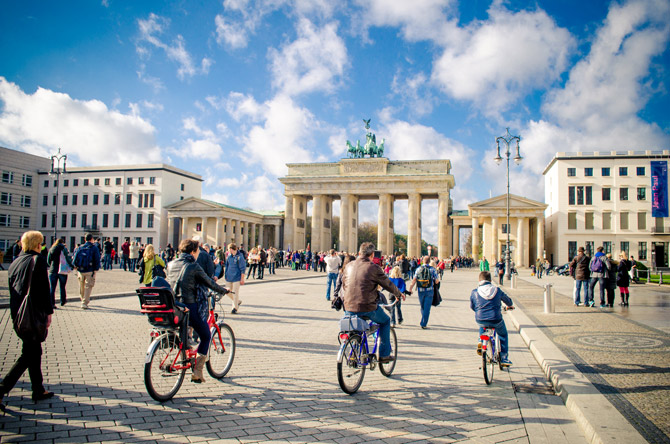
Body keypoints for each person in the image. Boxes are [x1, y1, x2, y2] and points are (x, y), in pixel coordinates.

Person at [1, 231, 55, 411]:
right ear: (37, 244)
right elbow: (43, 290)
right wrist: (48, 313)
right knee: (28, 355)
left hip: (18, 314)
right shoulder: (37, 261)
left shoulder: (15, 262)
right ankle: (2, 389)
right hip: (32, 315)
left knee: (33, 351)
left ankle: (38, 389)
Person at [166, 239, 230, 383]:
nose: (198, 254)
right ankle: (197, 371)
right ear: (193, 251)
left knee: (185, 333)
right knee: (206, 336)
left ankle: (187, 352)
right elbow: (209, 282)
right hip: (190, 306)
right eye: (198, 251)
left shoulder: (170, 264)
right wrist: (224, 290)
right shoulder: (193, 266)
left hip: (174, 306)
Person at [341, 242, 404, 363]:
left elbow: (344, 285)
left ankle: (353, 353)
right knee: (385, 321)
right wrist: (398, 293)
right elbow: (388, 284)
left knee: (355, 328)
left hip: (348, 306)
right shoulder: (373, 267)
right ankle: (384, 354)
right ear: (372, 255)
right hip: (367, 307)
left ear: (359, 253)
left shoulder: (348, 266)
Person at [470, 271, 514, 366]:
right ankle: (504, 357)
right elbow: (508, 301)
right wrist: (510, 305)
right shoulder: (497, 290)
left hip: (480, 318)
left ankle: (481, 342)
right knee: (503, 334)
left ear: (479, 280)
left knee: (483, 324)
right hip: (495, 318)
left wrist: (478, 311)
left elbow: (472, 306)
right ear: (490, 280)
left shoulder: (475, 292)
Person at [408, 256, 440, 329]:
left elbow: (414, 280)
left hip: (420, 291)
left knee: (422, 307)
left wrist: (410, 288)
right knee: (427, 308)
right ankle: (423, 323)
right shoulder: (432, 269)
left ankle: (423, 319)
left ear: (422, 261)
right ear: (429, 261)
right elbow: (437, 280)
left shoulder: (418, 269)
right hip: (429, 291)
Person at [73, 233, 101, 310]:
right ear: (91, 239)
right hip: (90, 270)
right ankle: (84, 303)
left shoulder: (80, 247)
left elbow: (75, 258)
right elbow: (97, 259)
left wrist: (75, 266)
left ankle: (82, 299)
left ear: (85, 239)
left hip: (80, 270)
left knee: (81, 286)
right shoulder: (94, 248)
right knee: (88, 286)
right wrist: (96, 269)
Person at [46, 238, 75, 308]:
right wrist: (72, 266)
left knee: (52, 288)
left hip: (53, 270)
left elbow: (48, 260)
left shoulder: (52, 248)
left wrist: (51, 266)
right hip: (62, 270)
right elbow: (68, 259)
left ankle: (52, 303)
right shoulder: (64, 249)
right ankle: (63, 301)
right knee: (62, 286)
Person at [224, 243, 246, 314]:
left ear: (234, 249)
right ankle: (237, 301)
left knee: (235, 293)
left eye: (231, 250)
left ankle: (234, 308)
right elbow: (227, 266)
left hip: (236, 277)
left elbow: (243, 269)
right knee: (227, 292)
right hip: (229, 277)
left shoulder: (240, 257)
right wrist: (226, 275)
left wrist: (242, 279)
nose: (230, 252)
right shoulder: (229, 257)